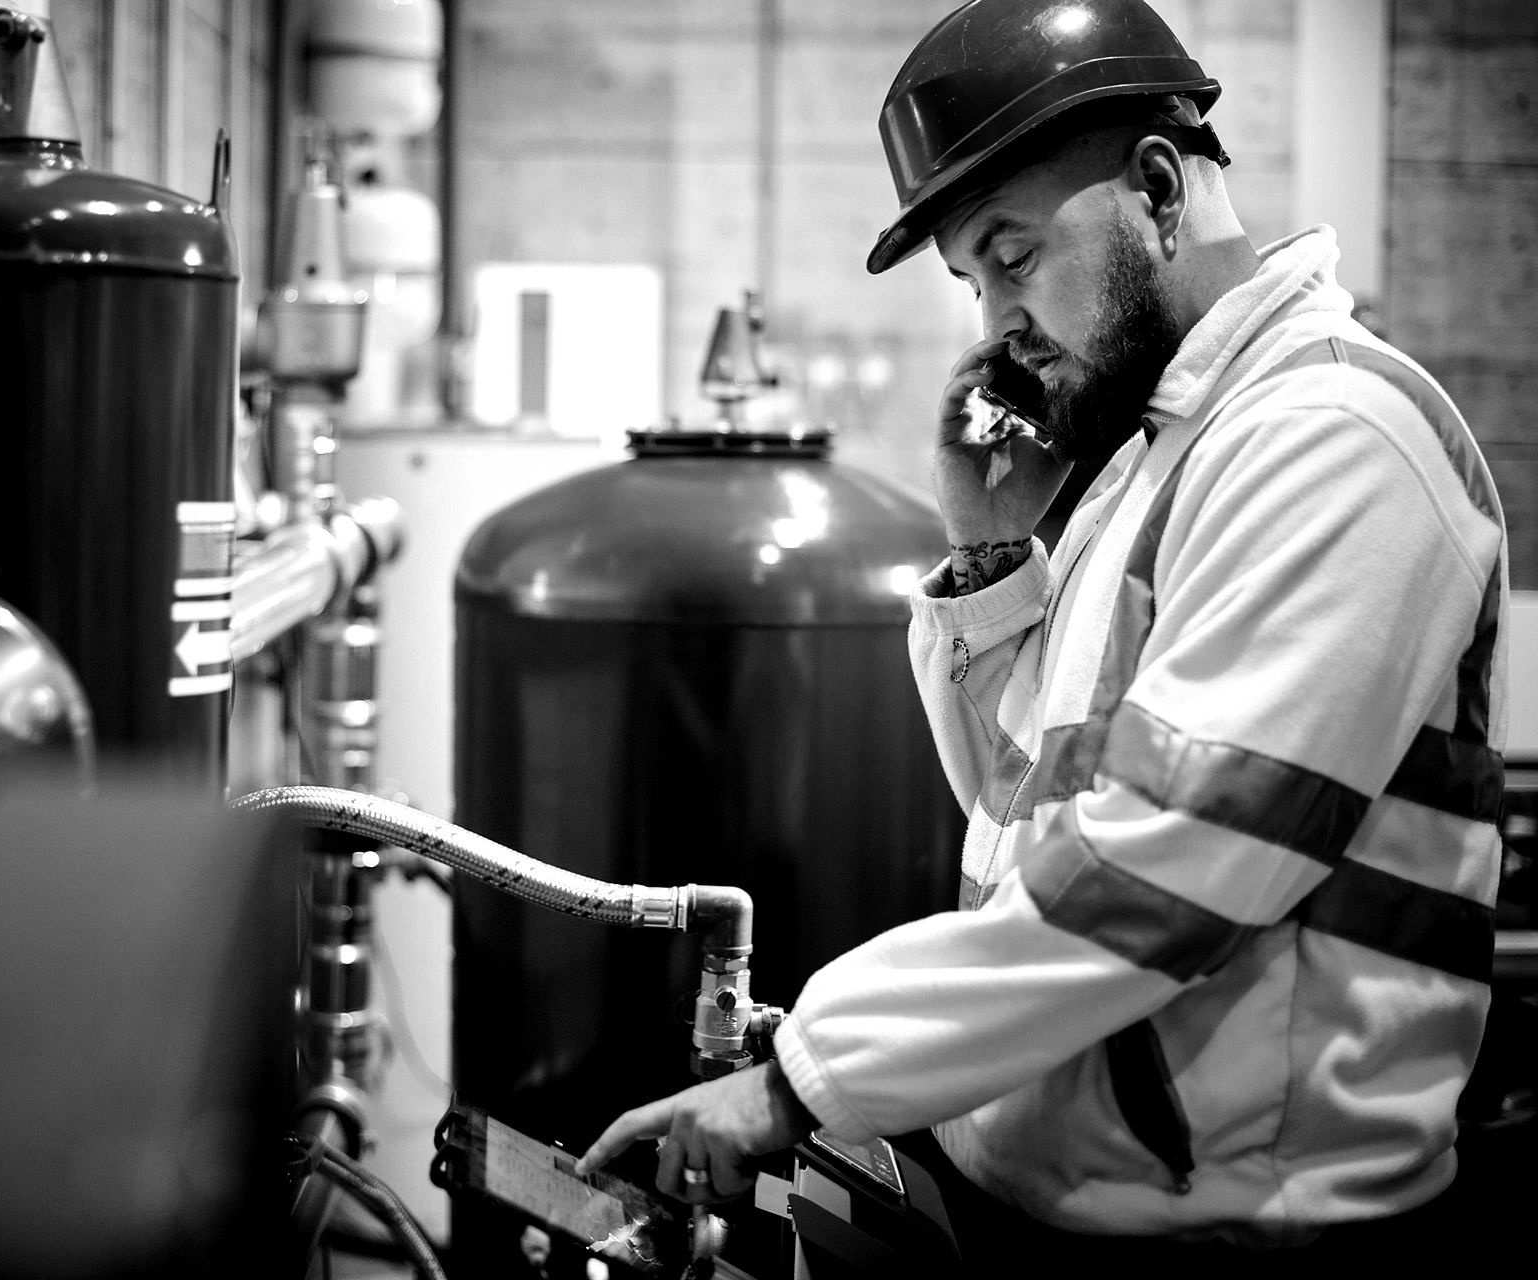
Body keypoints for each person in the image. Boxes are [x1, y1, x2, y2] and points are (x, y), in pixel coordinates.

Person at [573, 0, 1511, 1266]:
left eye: (1011, 257)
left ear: (1160, 191)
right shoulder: (1152, 464)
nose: (991, 327)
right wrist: (996, 552)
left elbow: (1155, 873)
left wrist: (800, 1079)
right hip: (1058, 1197)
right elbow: (1019, 821)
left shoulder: (1337, 438)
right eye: (971, 282)